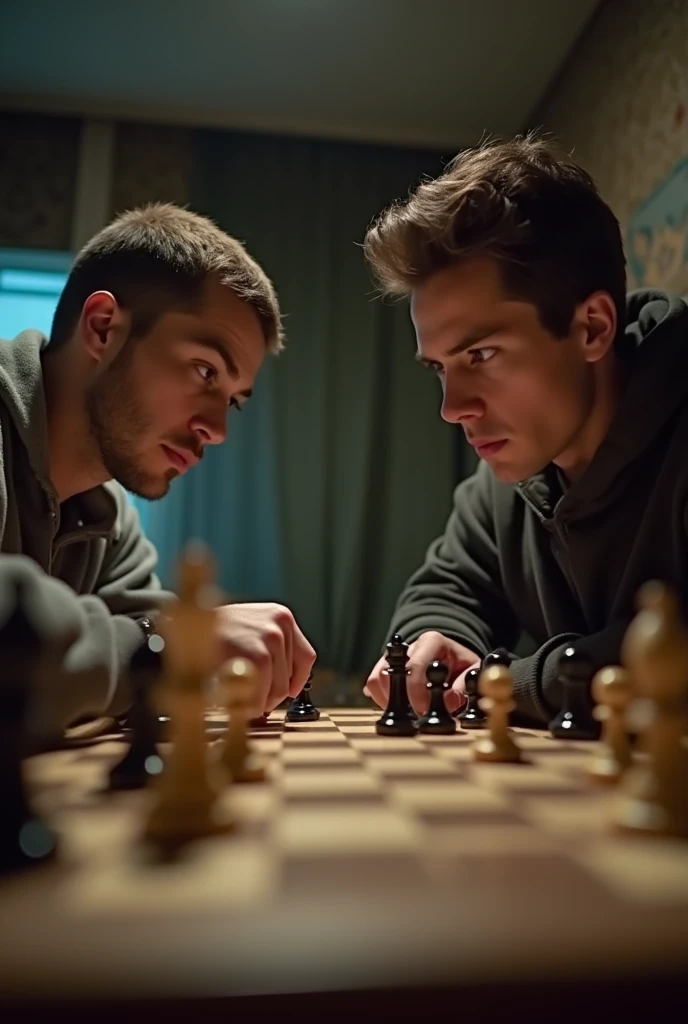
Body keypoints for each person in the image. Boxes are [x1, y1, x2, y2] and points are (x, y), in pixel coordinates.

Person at [362, 134, 688, 724]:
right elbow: (445, 587)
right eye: (439, 368)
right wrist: (429, 639)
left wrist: (514, 684)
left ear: (592, 327)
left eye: (481, 355)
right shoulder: (503, 480)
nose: (452, 408)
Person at [0, 203, 315, 742]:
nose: (217, 430)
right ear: (102, 329)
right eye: (204, 370)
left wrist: (180, 645)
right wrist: (178, 641)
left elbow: (148, 657)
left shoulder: (110, 520)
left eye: (233, 401)